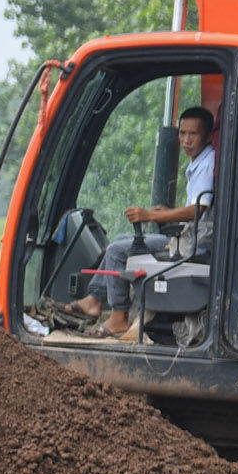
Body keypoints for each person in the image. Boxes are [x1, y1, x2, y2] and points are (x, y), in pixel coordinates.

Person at [74, 105, 215, 339]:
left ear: (208, 136)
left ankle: (118, 318)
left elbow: (198, 209)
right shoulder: (200, 160)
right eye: (182, 133)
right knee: (120, 241)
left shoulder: (207, 164)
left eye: (194, 134)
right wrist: (168, 212)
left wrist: (152, 216)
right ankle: (94, 298)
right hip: (188, 236)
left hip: (193, 246)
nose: (186, 140)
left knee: (118, 250)